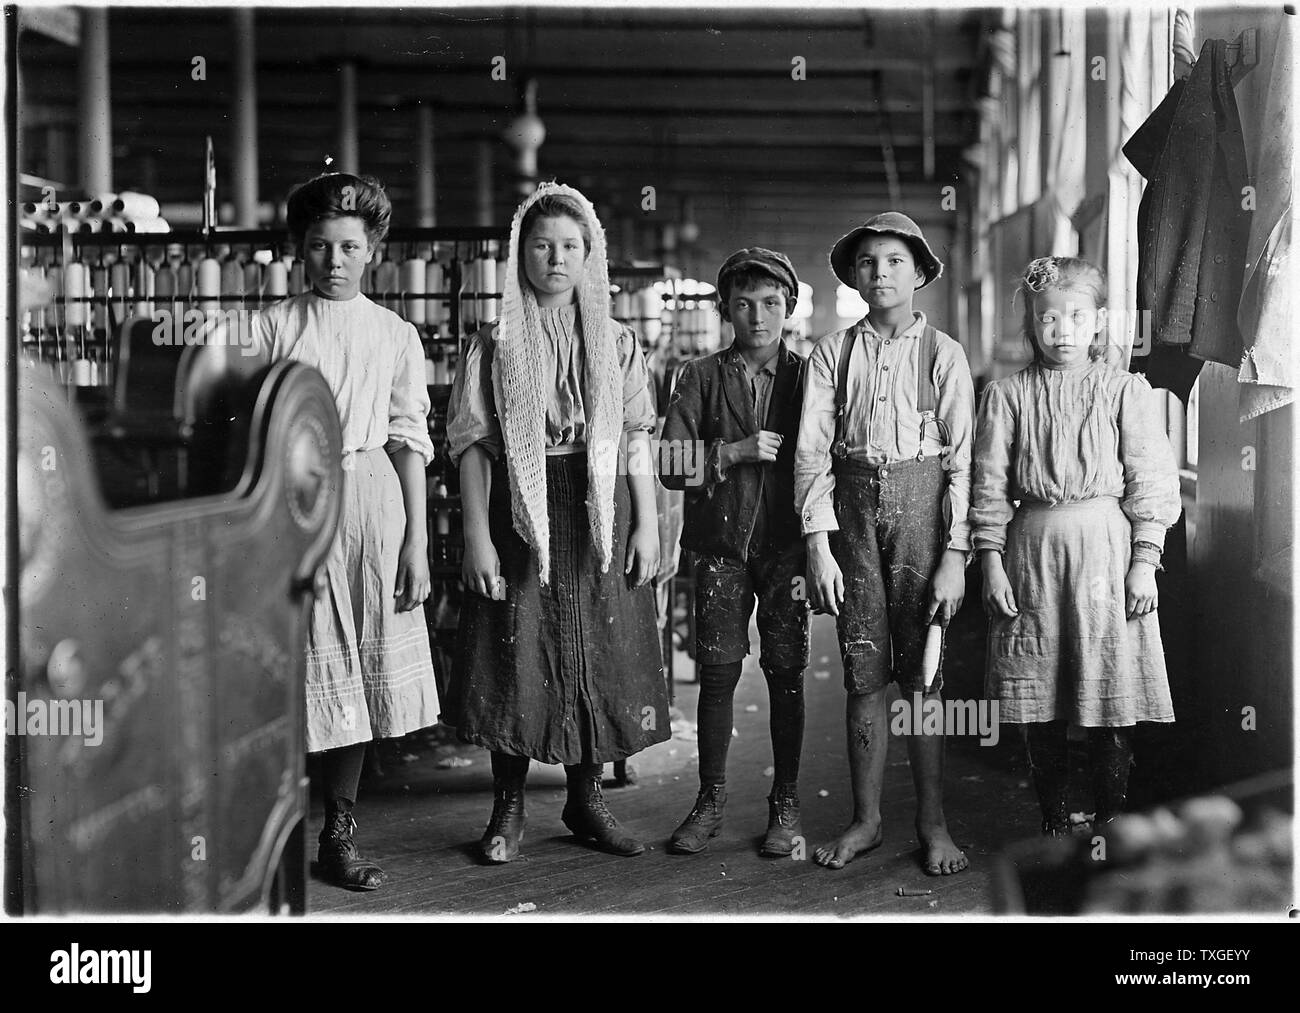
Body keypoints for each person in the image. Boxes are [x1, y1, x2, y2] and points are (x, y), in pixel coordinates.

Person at [446, 182, 669, 863]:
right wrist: (479, 535)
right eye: (542, 245)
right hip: (522, 502)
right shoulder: (495, 341)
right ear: (521, 253)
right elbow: (473, 446)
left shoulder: (617, 341)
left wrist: (648, 523)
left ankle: (586, 797)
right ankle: (508, 805)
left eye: (571, 246)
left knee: (594, 644)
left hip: (599, 499)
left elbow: (636, 435)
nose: (556, 258)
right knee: (517, 643)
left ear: (590, 253)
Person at [251, 172, 440, 890]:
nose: (335, 259)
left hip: (370, 502)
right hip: (290, 495)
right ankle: (270, 833)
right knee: (295, 661)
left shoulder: (395, 333)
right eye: (320, 245)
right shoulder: (273, 325)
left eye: (350, 246)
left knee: (355, 670)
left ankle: (339, 833)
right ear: (299, 250)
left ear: (374, 252)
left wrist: (416, 540)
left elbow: (408, 440)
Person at [972, 255, 1181, 836]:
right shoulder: (1007, 395)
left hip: (1107, 554)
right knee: (1038, 698)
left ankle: (1109, 827)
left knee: (1110, 689)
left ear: (1098, 323)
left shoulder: (1125, 392)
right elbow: (986, 487)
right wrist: (990, 563)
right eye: (1047, 319)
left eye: (1076, 316)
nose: (1062, 330)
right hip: (1032, 553)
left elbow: (1152, 481)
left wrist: (1145, 563)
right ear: (1031, 325)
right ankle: (1056, 823)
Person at [795, 212, 973, 875]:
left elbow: (964, 463)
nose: (881, 272)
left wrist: (956, 553)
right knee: (863, 670)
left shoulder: (944, 354)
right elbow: (811, 455)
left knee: (924, 676)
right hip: (852, 515)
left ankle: (932, 821)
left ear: (920, 272)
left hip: (925, 514)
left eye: (895, 260)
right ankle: (866, 819)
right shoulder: (831, 353)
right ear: (855, 276)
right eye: (869, 262)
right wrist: (818, 542)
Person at [659, 248, 810, 857]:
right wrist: (733, 452)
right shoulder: (698, 376)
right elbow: (669, 463)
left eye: (771, 303)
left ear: (790, 309)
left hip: (787, 550)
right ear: (725, 310)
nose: (757, 316)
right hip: (718, 548)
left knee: (787, 675)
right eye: (743, 304)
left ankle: (787, 803)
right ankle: (711, 800)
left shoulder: (809, 376)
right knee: (718, 674)